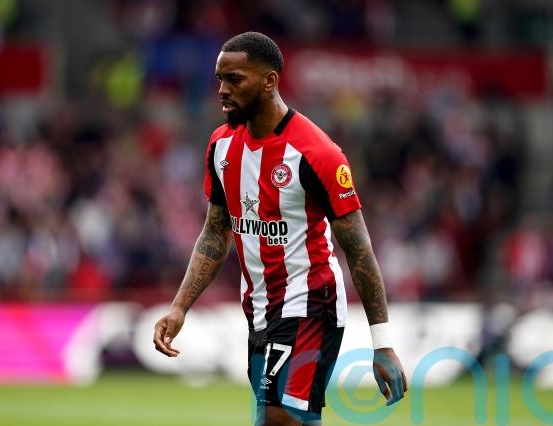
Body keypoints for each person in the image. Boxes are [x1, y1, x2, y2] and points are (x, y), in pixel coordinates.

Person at [153, 32, 407, 425]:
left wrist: (382, 342)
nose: (222, 90)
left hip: (310, 304)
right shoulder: (221, 146)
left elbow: (358, 249)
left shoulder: (317, 153)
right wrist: (179, 306)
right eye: (220, 79)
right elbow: (215, 232)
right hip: (259, 311)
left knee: (277, 417)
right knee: (290, 419)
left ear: (269, 81)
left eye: (235, 79)